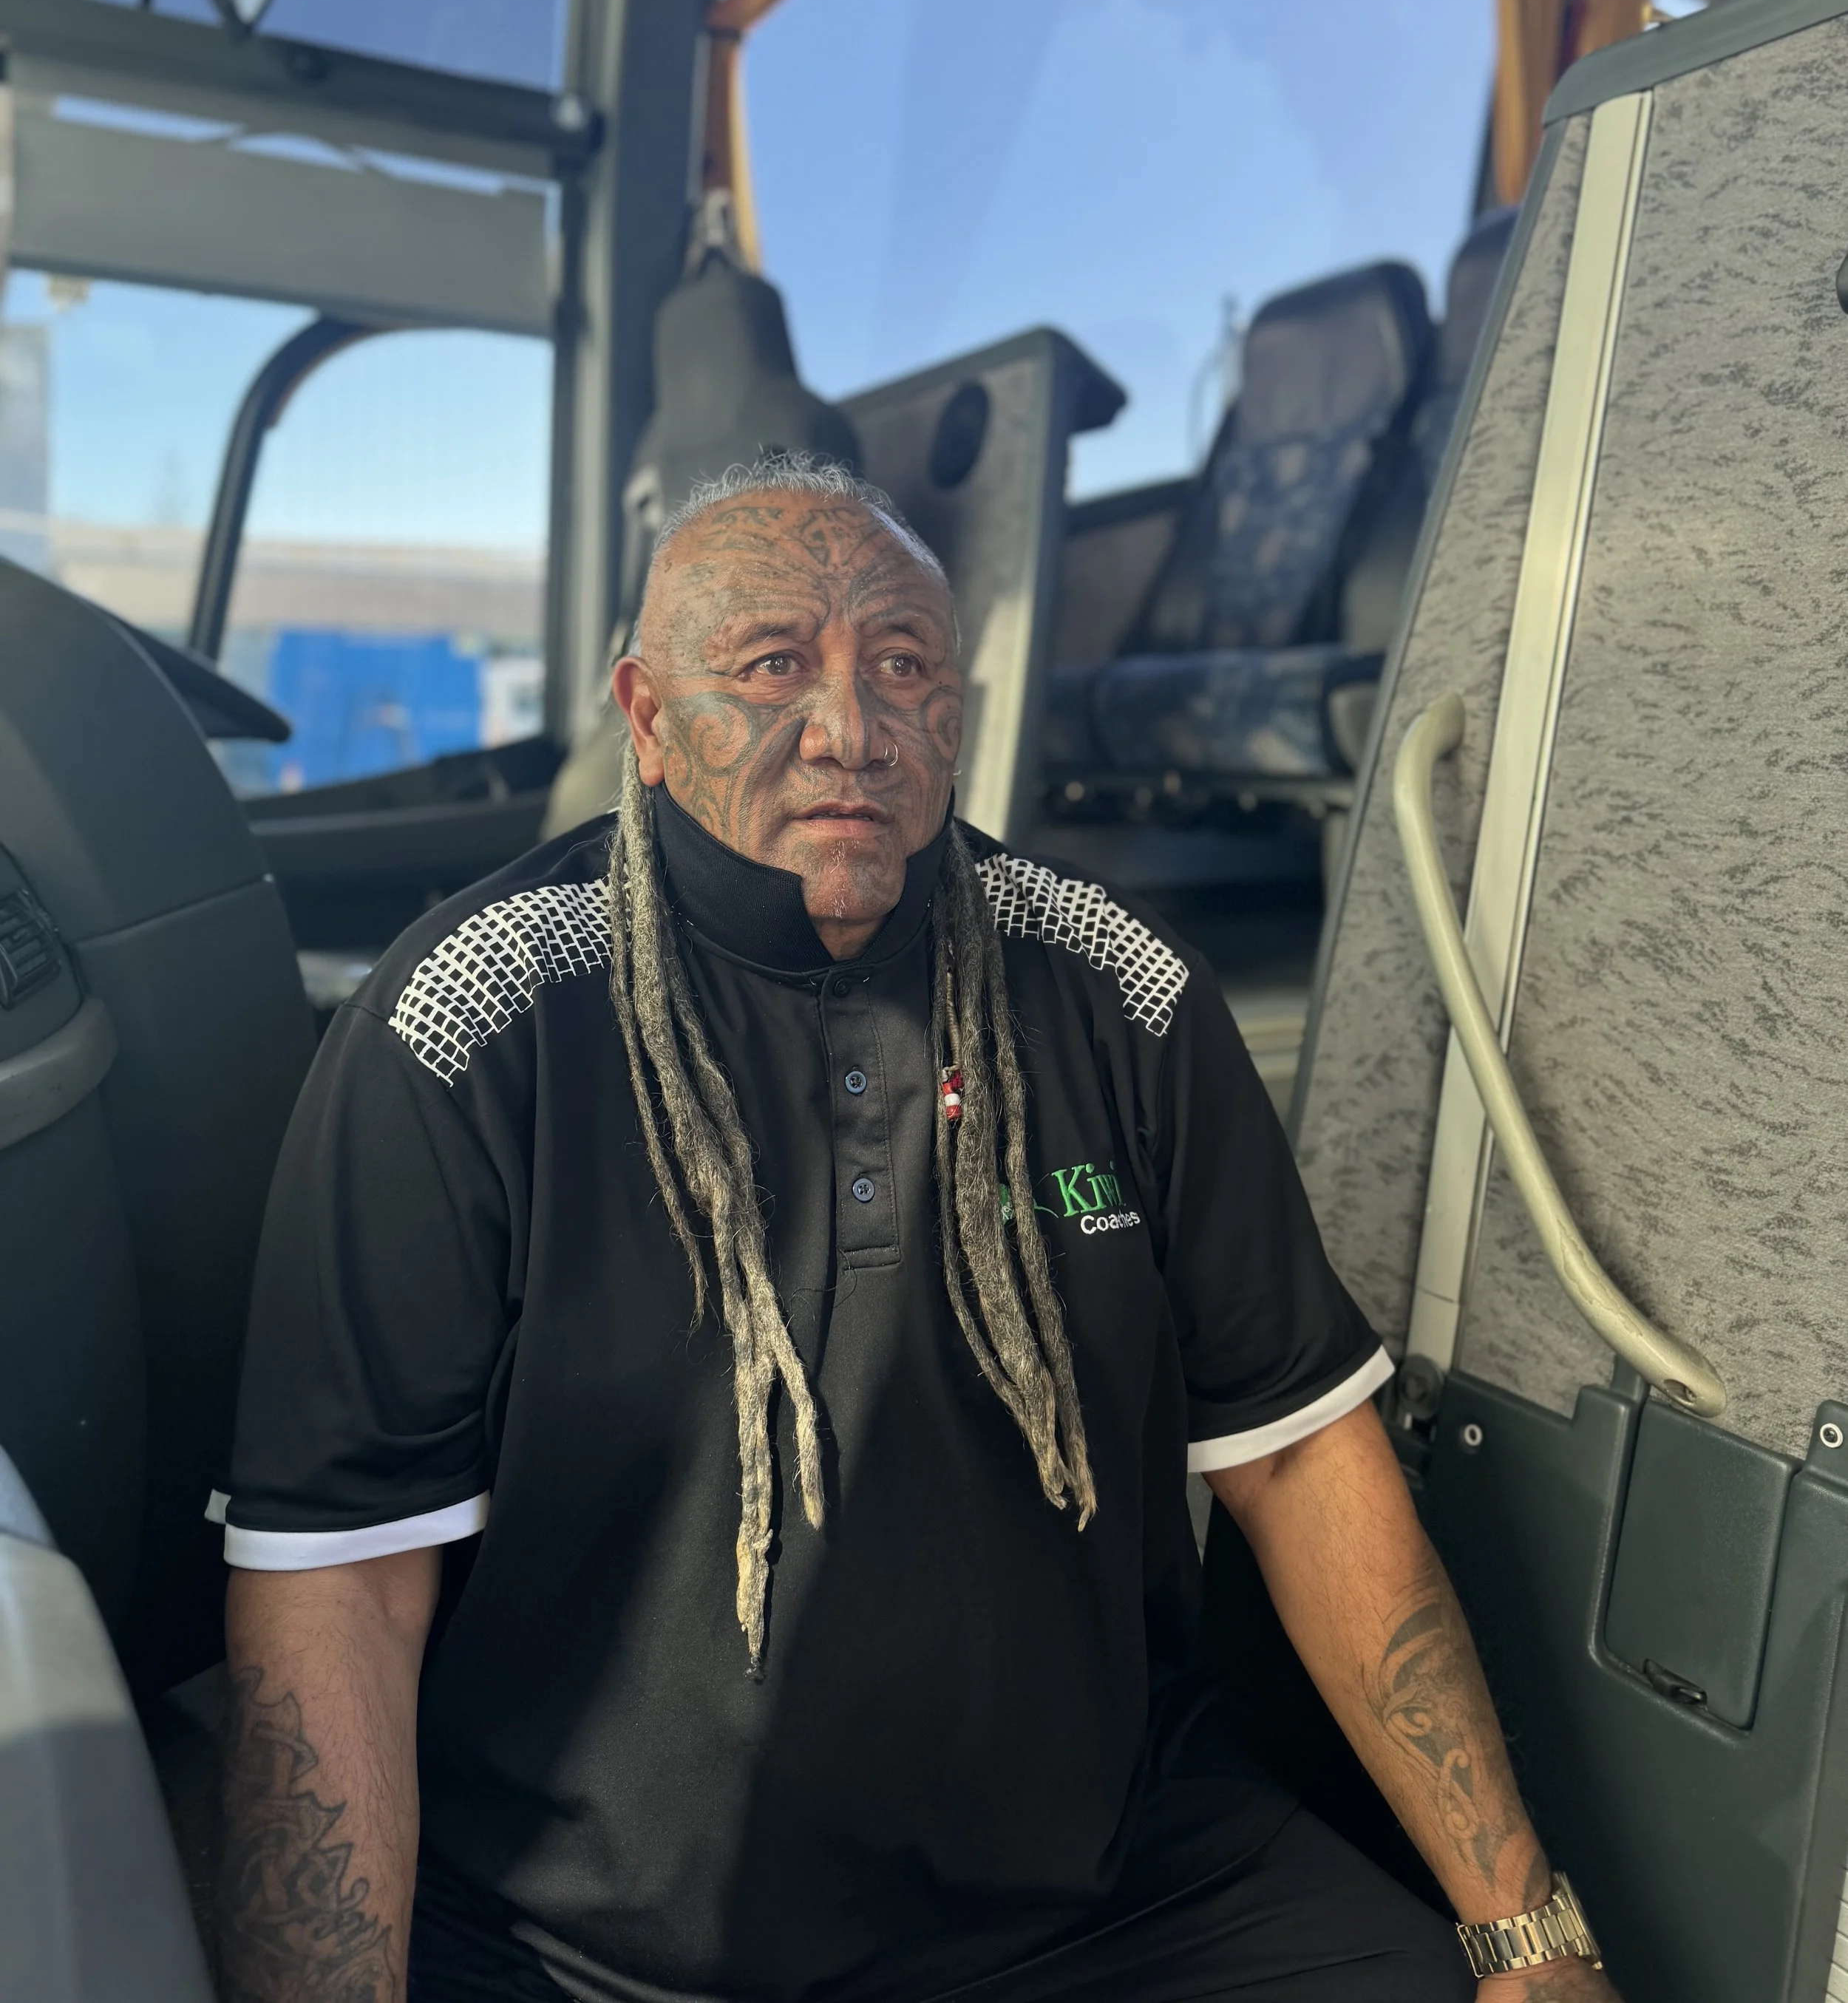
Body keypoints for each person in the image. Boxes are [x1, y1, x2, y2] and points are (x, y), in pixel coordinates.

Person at [214, 458, 1620, 2003]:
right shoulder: (468, 1027)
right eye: (770, 665)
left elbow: (1294, 1454)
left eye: (900, 667)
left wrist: (1520, 1926)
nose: (847, 728)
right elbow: (336, 1583)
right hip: (600, 1951)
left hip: (1105, 1894)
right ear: (646, 715)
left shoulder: (1120, 994)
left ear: (952, 711)